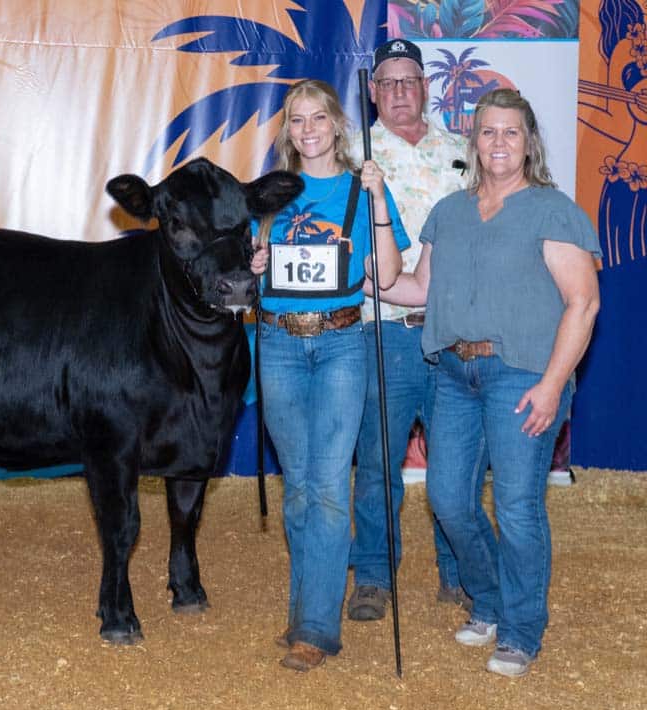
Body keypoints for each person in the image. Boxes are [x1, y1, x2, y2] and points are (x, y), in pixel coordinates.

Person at [394, 88, 601, 677]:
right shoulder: (449, 211)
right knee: (449, 500)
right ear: (474, 141)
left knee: (516, 506)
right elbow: (417, 289)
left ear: (529, 141)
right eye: (489, 131)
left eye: (512, 131)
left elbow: (582, 304)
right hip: (453, 374)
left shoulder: (553, 209)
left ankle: (519, 630)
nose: (500, 142)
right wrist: (350, 279)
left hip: (523, 375)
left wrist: (554, 384)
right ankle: (486, 599)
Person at [249, 79, 407, 672]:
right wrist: (255, 263)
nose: (309, 129)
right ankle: (305, 609)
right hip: (279, 344)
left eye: (319, 118)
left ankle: (317, 626)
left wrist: (381, 199)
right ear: (287, 130)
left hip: (341, 342)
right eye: (297, 120)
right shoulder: (268, 197)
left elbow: (387, 276)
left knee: (328, 483)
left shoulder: (360, 189)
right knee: (299, 488)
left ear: (339, 125)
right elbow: (248, 276)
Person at [345, 38, 484, 622]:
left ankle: (459, 574)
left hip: (456, 332)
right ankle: (374, 575)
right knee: (378, 462)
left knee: (458, 468)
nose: (400, 92)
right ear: (372, 92)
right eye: (388, 83)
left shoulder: (466, 151)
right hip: (384, 329)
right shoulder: (351, 155)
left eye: (409, 81)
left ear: (427, 88)